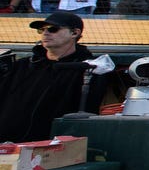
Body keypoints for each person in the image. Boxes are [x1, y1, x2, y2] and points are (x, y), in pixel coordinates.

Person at [0, 10, 122, 142]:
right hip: (8, 145)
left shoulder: (89, 68)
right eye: (41, 30)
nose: (46, 33)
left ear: (75, 33)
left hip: (55, 147)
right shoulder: (23, 65)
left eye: (53, 29)